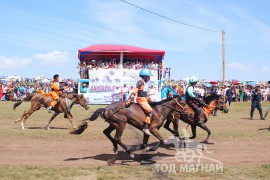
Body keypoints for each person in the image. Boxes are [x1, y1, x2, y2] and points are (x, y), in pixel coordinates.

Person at [125, 69, 153, 135]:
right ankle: (145, 128)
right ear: (145, 76)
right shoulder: (140, 82)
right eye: (149, 76)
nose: (149, 78)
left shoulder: (145, 83)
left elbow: (144, 92)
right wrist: (129, 100)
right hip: (141, 99)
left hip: (145, 99)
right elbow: (135, 91)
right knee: (150, 111)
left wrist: (148, 98)